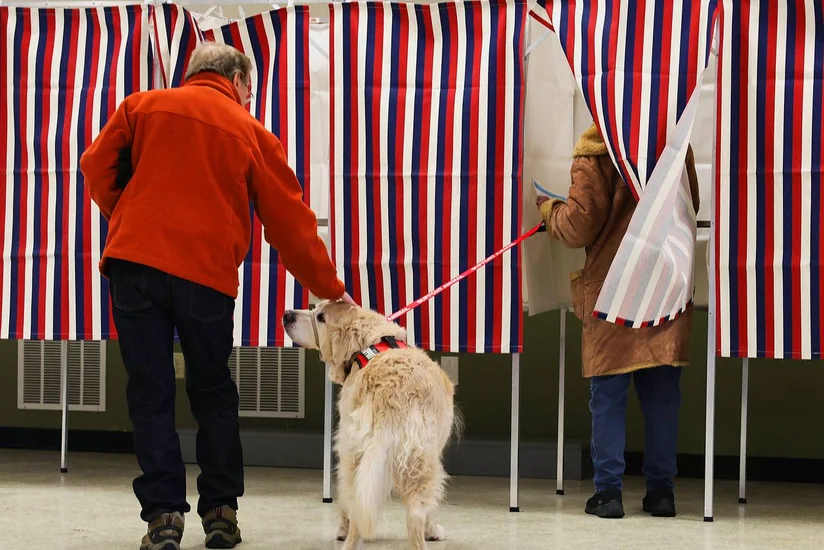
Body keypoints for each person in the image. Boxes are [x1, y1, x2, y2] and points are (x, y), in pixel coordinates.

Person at [80, 42, 353, 550]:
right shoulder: (250, 131)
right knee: (212, 390)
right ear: (236, 78)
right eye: (250, 90)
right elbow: (291, 225)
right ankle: (221, 512)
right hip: (203, 277)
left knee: (150, 390)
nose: (249, 99)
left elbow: (95, 166)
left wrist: (128, 216)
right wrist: (331, 291)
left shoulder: (140, 106)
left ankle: (163, 518)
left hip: (134, 267)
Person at [537, 123, 699, 520]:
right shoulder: (676, 142)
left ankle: (608, 494)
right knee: (662, 400)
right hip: (665, 286)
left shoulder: (596, 150)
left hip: (614, 291)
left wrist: (548, 210)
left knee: (608, 398)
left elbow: (578, 226)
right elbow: (688, 206)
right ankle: (662, 493)